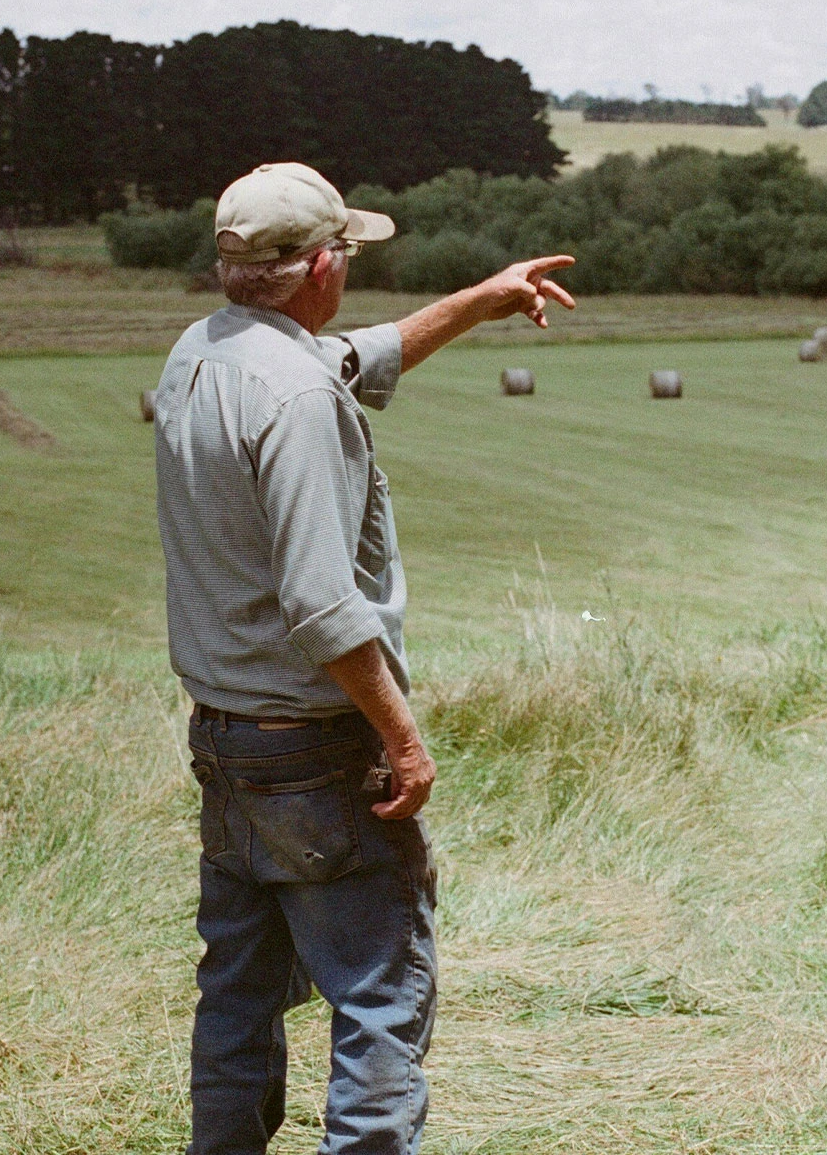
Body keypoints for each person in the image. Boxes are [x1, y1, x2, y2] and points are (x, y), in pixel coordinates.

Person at [153, 161, 574, 1155]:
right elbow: (322, 605)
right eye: (344, 249)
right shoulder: (299, 395)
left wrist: (479, 301)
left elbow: (355, 356)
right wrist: (403, 738)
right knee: (379, 1003)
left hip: (226, 738)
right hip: (314, 748)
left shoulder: (202, 353)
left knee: (238, 995)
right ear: (321, 266)